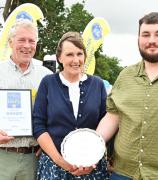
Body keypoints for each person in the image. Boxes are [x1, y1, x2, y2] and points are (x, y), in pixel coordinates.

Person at [96, 12, 158, 180]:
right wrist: (90, 149)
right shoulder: (125, 75)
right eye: (146, 34)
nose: (151, 40)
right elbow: (113, 116)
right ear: (138, 38)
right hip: (123, 174)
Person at [33, 31, 109, 180]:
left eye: (79, 54)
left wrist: (92, 160)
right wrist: (60, 161)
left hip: (92, 168)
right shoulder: (48, 83)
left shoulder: (97, 85)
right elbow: (38, 125)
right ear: (59, 58)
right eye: (69, 55)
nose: (76, 60)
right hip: (54, 167)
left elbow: (105, 122)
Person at [0, 19, 52, 180]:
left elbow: (54, 115)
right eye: (21, 40)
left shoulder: (47, 77)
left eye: (32, 41)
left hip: (33, 158)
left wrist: (49, 144)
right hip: (2, 155)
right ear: (10, 42)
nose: (27, 45)